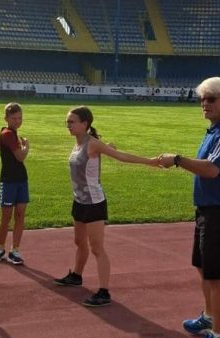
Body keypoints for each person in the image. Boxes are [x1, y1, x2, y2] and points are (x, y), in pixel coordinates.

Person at [158, 76, 220, 338]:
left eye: (211, 99)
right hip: (208, 210)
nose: (204, 104)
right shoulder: (214, 131)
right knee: (202, 267)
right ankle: (210, 316)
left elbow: (211, 169)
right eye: (201, 99)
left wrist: (177, 159)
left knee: (217, 276)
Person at [54, 106, 160, 306]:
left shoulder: (92, 144)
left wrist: (151, 162)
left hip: (94, 203)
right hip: (78, 201)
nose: (68, 125)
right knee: (79, 242)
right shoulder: (79, 143)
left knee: (97, 248)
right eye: (67, 122)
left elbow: (122, 157)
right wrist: (107, 145)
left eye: (72, 122)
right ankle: (77, 275)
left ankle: (104, 292)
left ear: (84, 124)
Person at [0, 102, 30, 265]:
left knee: (20, 215)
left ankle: (15, 250)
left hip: (21, 179)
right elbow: (20, 157)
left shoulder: (7, 133)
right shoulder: (8, 133)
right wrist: (26, 147)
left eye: (20, 118)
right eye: (14, 118)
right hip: (8, 180)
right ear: (6, 118)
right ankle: (0, 248)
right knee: (6, 216)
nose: (17, 121)